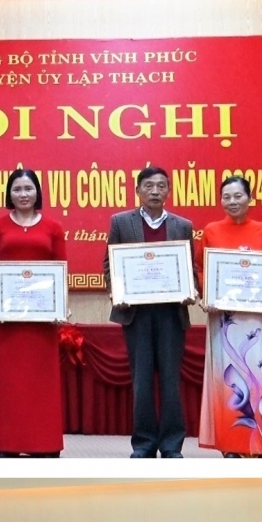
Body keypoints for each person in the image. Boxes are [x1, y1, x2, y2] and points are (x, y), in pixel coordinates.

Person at [103, 165, 197, 459]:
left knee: (170, 382)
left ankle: (171, 445)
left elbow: (189, 267)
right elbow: (109, 263)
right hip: (137, 314)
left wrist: (191, 289)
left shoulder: (182, 226)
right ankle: (143, 444)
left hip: (171, 314)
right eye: (149, 186)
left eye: (161, 186)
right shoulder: (121, 222)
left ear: (168, 190)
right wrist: (116, 290)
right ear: (138, 190)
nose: (155, 191)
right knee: (142, 381)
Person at [197, 175, 262, 458]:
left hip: (259, 318)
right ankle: (232, 445)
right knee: (230, 380)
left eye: (238, 196)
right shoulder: (211, 231)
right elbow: (201, 268)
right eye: (226, 197)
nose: (232, 201)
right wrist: (206, 295)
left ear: (250, 198)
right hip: (226, 319)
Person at [0, 168, 67, 458]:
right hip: (9, 320)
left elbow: (61, 268)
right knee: (10, 382)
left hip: (42, 321)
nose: (23, 194)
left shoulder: (53, 227)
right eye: (17, 189)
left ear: (37, 192)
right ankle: (6, 443)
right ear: (9, 193)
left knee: (40, 383)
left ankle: (44, 444)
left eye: (28, 188)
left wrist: (59, 305)